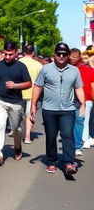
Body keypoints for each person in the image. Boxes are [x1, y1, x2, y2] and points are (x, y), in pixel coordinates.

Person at [30, 42, 85, 175]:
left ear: (68, 56)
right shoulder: (46, 69)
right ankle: (51, 161)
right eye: (58, 54)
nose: (61, 56)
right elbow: (38, 86)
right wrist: (33, 105)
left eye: (64, 54)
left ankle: (69, 163)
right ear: (54, 55)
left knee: (67, 135)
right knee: (51, 136)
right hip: (49, 109)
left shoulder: (74, 71)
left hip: (68, 109)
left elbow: (78, 87)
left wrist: (82, 104)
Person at [0, 40, 32, 166]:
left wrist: (16, 85)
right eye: (6, 54)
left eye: (10, 54)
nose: (7, 57)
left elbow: (29, 83)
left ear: (16, 53)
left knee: (16, 129)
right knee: (0, 125)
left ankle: (17, 147)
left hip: (16, 102)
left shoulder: (21, 66)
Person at [69, 47, 94, 155]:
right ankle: (80, 144)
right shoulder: (89, 70)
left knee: (73, 123)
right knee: (81, 122)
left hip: (71, 100)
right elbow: (93, 87)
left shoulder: (67, 70)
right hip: (87, 100)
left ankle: (78, 143)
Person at [20, 43, 43, 144]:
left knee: (18, 115)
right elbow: (42, 81)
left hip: (19, 92)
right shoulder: (38, 65)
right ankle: (27, 136)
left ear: (24, 52)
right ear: (33, 52)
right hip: (33, 93)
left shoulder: (18, 63)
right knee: (30, 114)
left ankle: (19, 130)